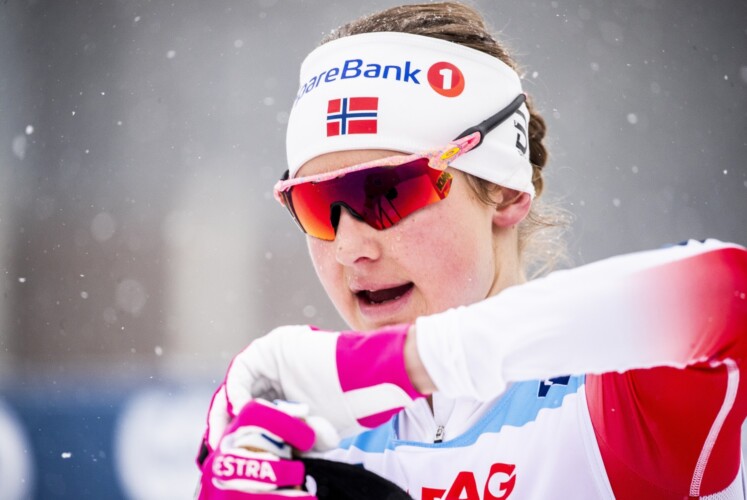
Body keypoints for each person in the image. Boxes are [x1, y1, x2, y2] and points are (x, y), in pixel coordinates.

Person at [195, 3, 747, 499]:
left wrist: (411, 362)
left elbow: (729, 296)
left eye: (385, 192)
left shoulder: (612, 397)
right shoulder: (316, 442)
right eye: (317, 207)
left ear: (504, 190)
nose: (348, 248)